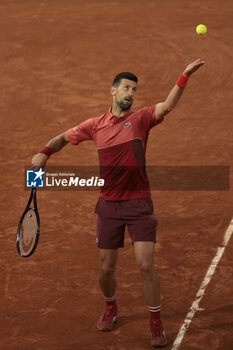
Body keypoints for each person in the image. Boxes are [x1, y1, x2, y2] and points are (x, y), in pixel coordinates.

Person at [32, 58, 206, 348]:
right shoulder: (94, 125)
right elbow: (63, 137)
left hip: (139, 204)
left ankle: (155, 321)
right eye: (126, 88)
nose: (130, 93)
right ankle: (111, 306)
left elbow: (167, 105)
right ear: (112, 91)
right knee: (106, 269)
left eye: (134, 90)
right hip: (109, 205)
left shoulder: (140, 119)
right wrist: (44, 153)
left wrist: (183, 76)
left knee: (145, 265)